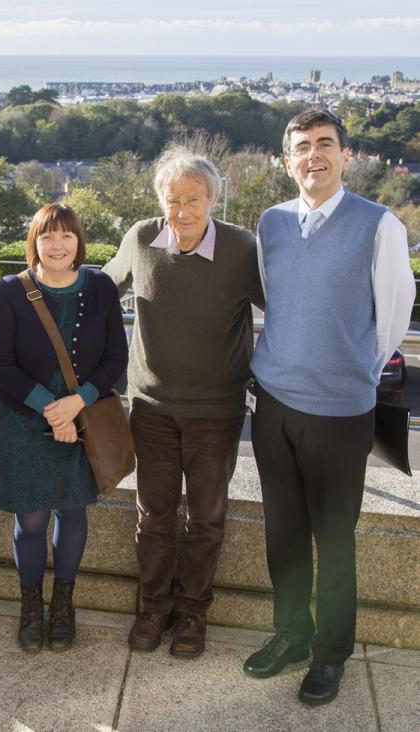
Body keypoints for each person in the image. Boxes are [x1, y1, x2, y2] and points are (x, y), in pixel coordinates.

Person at [243, 109, 414, 705]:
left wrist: (352, 375)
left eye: (325, 145)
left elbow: (392, 319)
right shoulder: (270, 223)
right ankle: (290, 634)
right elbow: (274, 300)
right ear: (285, 160)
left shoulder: (379, 225)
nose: (313, 156)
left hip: (340, 413)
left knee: (334, 539)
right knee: (283, 531)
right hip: (273, 402)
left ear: (346, 155)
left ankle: (331, 655)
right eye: (300, 147)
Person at [103, 147, 263, 658]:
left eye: (195, 199)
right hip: (150, 407)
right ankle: (153, 606)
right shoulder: (142, 238)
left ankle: (193, 611)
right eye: (174, 200)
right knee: (153, 514)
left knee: (207, 517)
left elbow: (287, 308)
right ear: (161, 201)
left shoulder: (243, 249)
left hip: (217, 412)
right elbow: (100, 289)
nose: (184, 211)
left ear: (214, 198)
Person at [0, 203, 127, 652]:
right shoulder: (11, 290)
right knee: (30, 520)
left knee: (72, 514)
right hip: (25, 421)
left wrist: (75, 404)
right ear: (35, 242)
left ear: (78, 241)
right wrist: (52, 409)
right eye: (47, 236)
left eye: (66, 236)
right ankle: (31, 604)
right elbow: (0, 363)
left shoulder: (102, 287)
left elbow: (115, 360)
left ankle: (63, 603)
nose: (57, 245)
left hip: (83, 421)